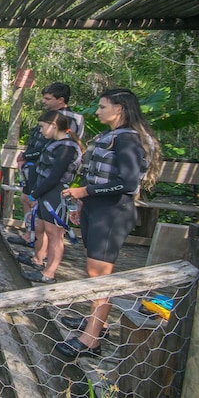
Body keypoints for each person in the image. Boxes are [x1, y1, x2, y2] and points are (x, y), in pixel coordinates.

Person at [55, 88, 160, 358]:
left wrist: (84, 193)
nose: (98, 111)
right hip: (96, 209)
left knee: (99, 276)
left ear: (120, 109)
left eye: (103, 107)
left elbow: (127, 183)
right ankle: (96, 324)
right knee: (95, 272)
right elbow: (96, 176)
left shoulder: (129, 140)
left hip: (113, 213)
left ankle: (91, 341)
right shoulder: (108, 136)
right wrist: (82, 201)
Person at [10, 83, 85, 247]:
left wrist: (25, 155)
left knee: (37, 206)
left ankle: (38, 244)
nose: (43, 101)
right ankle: (31, 237)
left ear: (61, 100)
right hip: (36, 166)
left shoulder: (67, 120)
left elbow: (50, 146)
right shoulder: (49, 116)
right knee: (26, 199)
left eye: (47, 98)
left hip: (48, 172)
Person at [16, 110, 84, 284]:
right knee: (40, 226)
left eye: (42, 127)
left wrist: (34, 195)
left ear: (53, 125)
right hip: (44, 191)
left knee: (54, 233)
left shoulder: (67, 147)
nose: (41, 131)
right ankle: (38, 259)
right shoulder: (54, 143)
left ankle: (49, 273)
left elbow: (55, 176)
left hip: (57, 193)